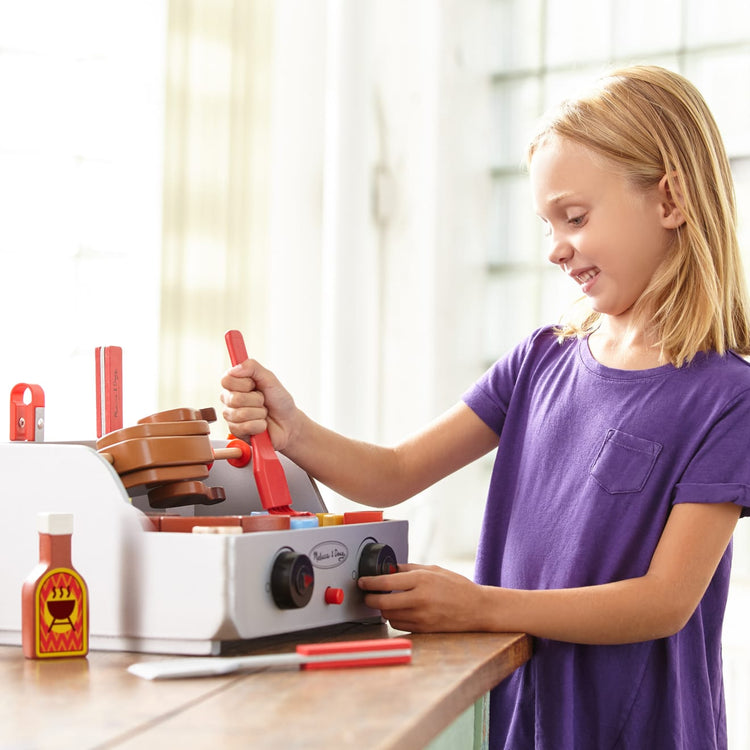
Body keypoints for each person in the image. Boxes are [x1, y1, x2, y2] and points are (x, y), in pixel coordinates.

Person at [220, 65, 750, 749]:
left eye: (575, 217)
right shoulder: (540, 361)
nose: (556, 248)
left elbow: (664, 602)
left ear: (670, 199)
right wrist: (293, 428)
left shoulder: (727, 398)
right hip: (519, 722)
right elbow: (393, 471)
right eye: (547, 223)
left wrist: (478, 606)